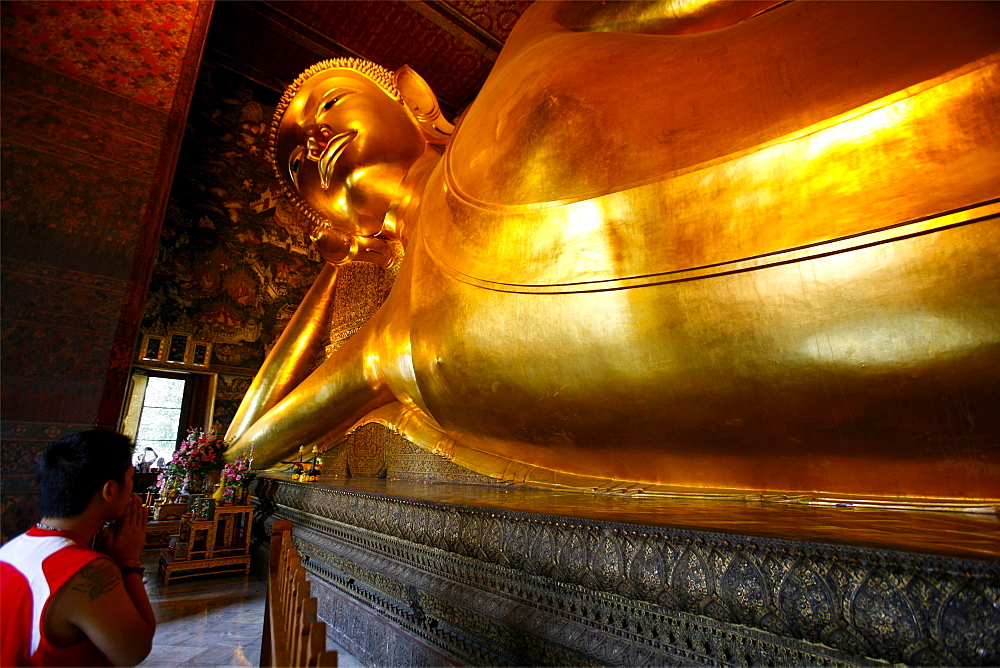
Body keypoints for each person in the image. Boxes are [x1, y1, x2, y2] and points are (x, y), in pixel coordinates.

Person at [225, 1, 1000, 506]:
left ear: (415, 100)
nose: (316, 139)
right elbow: (248, 442)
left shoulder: (534, 40)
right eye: (300, 161)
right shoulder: (388, 340)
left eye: (327, 106)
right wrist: (337, 263)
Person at [0, 430, 156, 666]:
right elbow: (133, 651)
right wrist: (128, 562)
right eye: (131, 477)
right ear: (110, 491)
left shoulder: (11, 549)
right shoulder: (86, 570)